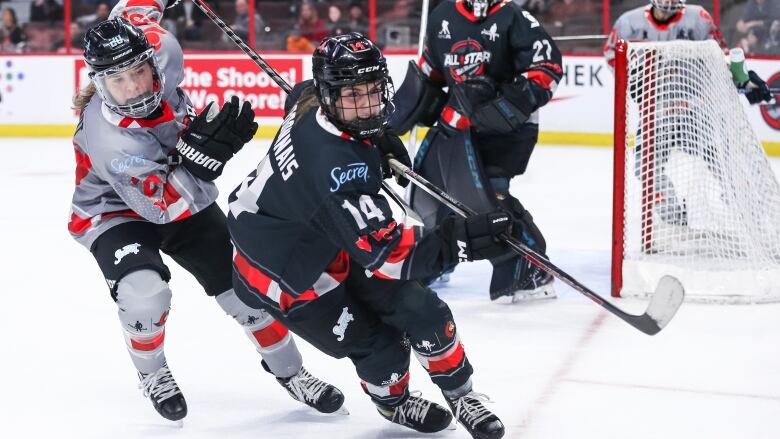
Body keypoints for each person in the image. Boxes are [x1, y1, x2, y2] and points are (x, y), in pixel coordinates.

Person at [68, 1, 344, 423]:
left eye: (138, 73)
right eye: (118, 81)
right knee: (145, 294)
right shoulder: (109, 139)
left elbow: (135, 8)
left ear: (152, 61)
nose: (134, 88)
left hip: (182, 198)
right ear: (101, 84)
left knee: (247, 289)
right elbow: (158, 207)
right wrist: (199, 161)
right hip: (115, 212)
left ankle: (291, 371)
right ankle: (153, 373)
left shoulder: (163, 49)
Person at [227, 32, 506, 439]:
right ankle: (392, 402)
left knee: (422, 310)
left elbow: (299, 95)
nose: (367, 104)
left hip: (318, 233)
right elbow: (391, 256)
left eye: (373, 91)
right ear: (329, 95)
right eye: (352, 94)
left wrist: (371, 137)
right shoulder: (335, 170)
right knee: (380, 346)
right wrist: (458, 241)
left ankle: (462, 395)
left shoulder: (310, 101)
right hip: (280, 269)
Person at [392, 0, 563, 302]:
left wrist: (505, 105)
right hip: (458, 126)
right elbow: (430, 72)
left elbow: (547, 67)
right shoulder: (442, 16)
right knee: (442, 196)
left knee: (490, 195)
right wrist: (402, 112)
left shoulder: (514, 17)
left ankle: (532, 267)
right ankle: (439, 257)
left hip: (509, 129)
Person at [603, 0, 773, 227]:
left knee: (721, 158)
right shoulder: (628, 22)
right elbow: (612, 54)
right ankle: (671, 210)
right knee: (644, 167)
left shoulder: (698, 18)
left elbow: (720, 56)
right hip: (657, 110)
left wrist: (744, 78)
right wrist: (633, 79)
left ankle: (746, 204)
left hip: (697, 106)